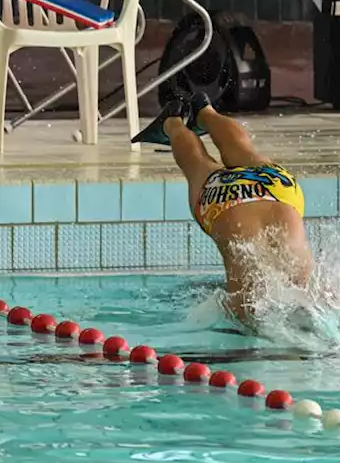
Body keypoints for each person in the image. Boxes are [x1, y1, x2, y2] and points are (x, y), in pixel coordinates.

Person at [132, 90, 313, 328]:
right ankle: (172, 123)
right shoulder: (250, 311)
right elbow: (223, 309)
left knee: (242, 148)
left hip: (277, 190)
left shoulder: (315, 294)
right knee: (197, 162)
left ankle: (205, 111)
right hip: (227, 205)